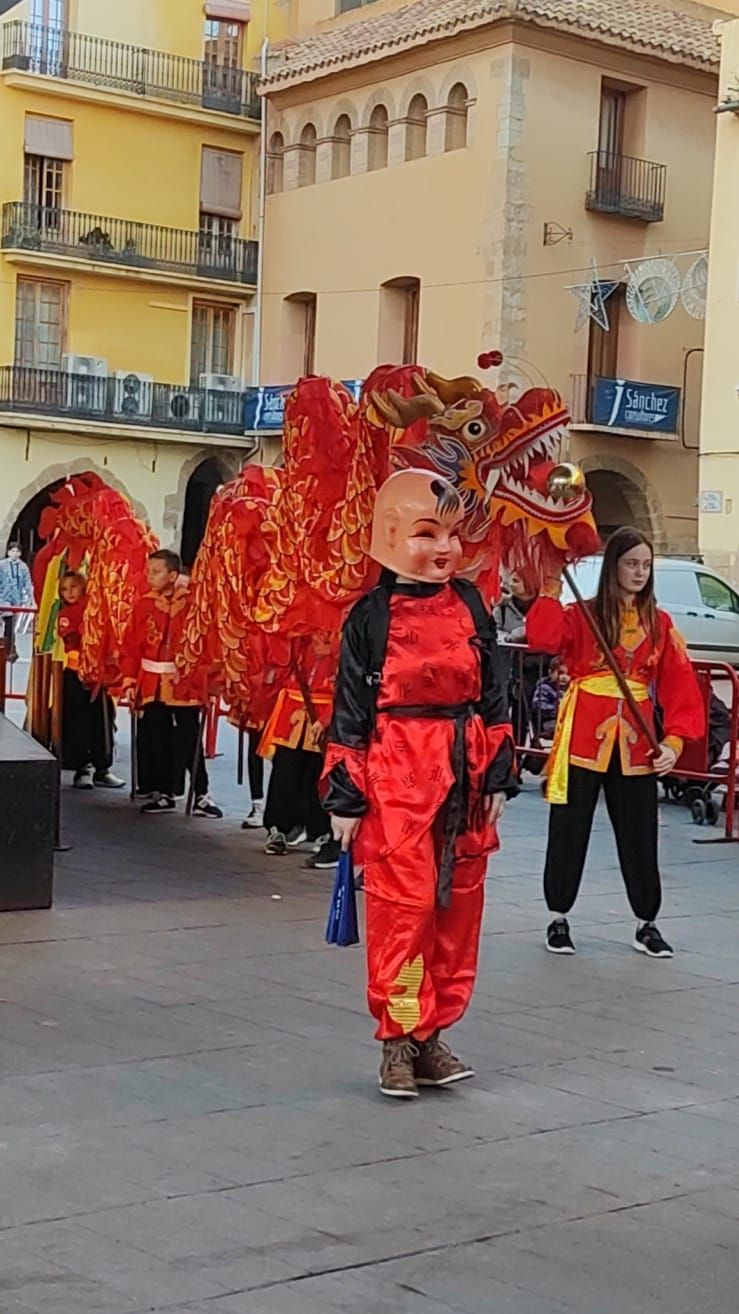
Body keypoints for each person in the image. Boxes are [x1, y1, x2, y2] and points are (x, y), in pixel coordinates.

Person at [322, 469, 516, 1099]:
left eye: (453, 535)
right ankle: (399, 1040)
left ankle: (435, 1033)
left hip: (463, 774)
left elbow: (494, 694)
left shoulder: (472, 605)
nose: (444, 549)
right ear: (390, 537)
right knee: (403, 915)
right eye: (427, 533)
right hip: (396, 783)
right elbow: (349, 710)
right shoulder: (369, 619)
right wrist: (346, 795)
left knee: (459, 909)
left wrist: (496, 774)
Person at [526, 527, 705, 959]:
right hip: (585, 732)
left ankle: (647, 921)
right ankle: (558, 917)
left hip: (637, 745)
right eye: (631, 563)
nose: (639, 572)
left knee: (641, 833)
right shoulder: (583, 614)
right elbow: (542, 639)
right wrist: (550, 586)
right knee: (569, 828)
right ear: (613, 567)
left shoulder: (660, 625)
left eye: (645, 565)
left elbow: (682, 689)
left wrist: (674, 744)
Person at [121, 549, 222, 817]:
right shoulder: (144, 604)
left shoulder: (193, 603)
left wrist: (205, 678)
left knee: (190, 738)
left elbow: (206, 642)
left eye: (156, 572)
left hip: (184, 683)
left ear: (173, 574)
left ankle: (202, 793)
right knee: (158, 737)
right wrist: (130, 679)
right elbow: (131, 644)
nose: (150, 576)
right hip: (151, 680)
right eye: (149, 571)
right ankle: (164, 791)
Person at [259, 634, 336, 864]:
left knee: (318, 774)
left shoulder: (344, 637)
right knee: (285, 770)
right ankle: (278, 827)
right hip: (293, 709)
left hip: (323, 713)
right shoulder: (298, 637)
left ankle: (319, 829)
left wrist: (327, 718)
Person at [57, 570, 125, 790]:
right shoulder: (66, 614)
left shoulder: (96, 608)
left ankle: (103, 767)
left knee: (104, 719)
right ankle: (81, 768)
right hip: (76, 674)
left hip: (100, 674)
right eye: (65, 589)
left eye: (74, 587)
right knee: (79, 721)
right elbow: (72, 639)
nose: (69, 593)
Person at [0, 542, 33, 662]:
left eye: (17, 551)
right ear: (8, 552)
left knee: (11, 626)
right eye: (12, 551)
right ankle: (8, 648)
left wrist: (30, 599)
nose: (14, 554)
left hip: (16, 601)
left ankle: (9, 649)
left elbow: (27, 584)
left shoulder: (23, 567)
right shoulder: (2, 565)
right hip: (3, 599)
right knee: (8, 623)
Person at [531, 657, 569, 740]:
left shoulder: (570, 689)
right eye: (560, 673)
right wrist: (557, 708)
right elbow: (538, 705)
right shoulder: (544, 687)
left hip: (566, 720)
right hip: (549, 722)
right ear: (550, 673)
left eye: (568, 674)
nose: (564, 677)